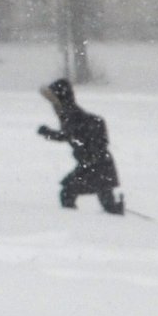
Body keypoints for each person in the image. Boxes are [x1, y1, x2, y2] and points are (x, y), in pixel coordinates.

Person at [38, 79, 124, 215]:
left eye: (53, 99)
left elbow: (68, 134)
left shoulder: (70, 114)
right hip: (98, 164)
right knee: (104, 199)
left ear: (61, 97)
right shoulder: (68, 113)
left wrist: (48, 133)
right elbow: (71, 135)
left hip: (95, 165)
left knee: (68, 192)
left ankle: (77, 224)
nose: (52, 104)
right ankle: (116, 215)